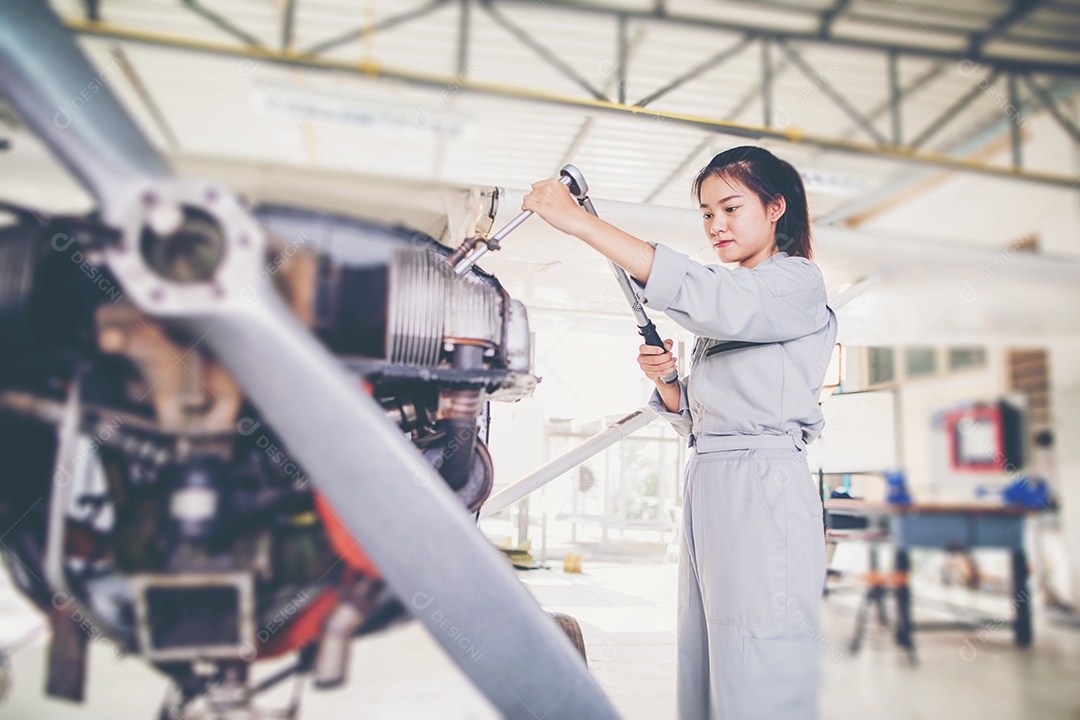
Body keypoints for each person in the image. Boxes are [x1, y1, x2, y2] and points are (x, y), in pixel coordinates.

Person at [522, 145, 837, 720]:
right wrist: (669, 381)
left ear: (775, 208)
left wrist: (580, 223)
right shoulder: (739, 298)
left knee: (759, 652)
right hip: (710, 479)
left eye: (731, 208)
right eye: (707, 213)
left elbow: (704, 293)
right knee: (708, 653)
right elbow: (699, 417)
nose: (716, 225)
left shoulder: (794, 283)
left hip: (762, 487)